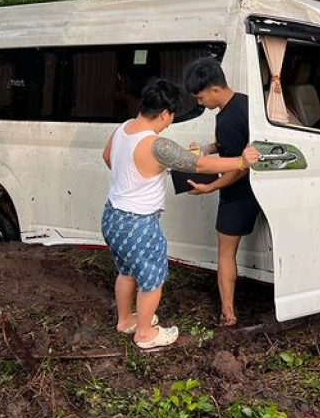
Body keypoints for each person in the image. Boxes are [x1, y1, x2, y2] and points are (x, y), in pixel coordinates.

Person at [101, 78, 259, 349]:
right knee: (152, 278)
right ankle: (144, 335)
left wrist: (134, 178)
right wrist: (241, 161)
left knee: (126, 271)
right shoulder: (157, 145)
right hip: (139, 223)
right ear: (164, 113)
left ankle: (125, 320)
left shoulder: (123, 128)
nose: (169, 123)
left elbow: (108, 157)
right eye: (170, 117)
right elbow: (199, 164)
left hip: (113, 216)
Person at [184, 58, 262, 327]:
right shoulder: (245, 103)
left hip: (238, 192)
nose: (200, 102)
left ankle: (228, 314)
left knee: (226, 252)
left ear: (214, 89)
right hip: (261, 188)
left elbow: (239, 169)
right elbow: (235, 145)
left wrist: (210, 186)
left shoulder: (227, 118)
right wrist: (208, 148)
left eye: (200, 96)